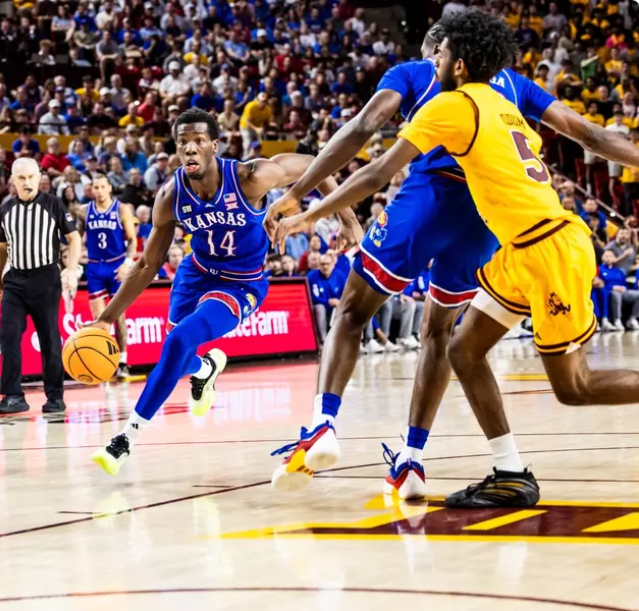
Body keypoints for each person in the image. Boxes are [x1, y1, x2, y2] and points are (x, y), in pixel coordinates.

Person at [273, 10, 639, 508]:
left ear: (452, 57)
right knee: (455, 346)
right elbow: (591, 137)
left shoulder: (436, 92)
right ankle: (453, 465)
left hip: (494, 225)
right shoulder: (514, 91)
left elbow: (369, 149)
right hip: (499, 237)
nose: (433, 62)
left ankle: (323, 425)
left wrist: (304, 204)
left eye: (438, 55)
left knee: (355, 312)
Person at [87, 108, 354, 476]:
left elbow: (315, 163)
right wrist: (105, 318)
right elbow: (148, 265)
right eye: (183, 143)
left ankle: (125, 439)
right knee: (179, 352)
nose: (191, 149)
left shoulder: (250, 176)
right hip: (195, 273)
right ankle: (206, 367)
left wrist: (347, 217)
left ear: (214, 145)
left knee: (180, 339)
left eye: (198, 141)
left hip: (240, 283)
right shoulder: (170, 196)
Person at [0, 158, 81, 415]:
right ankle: (12, 395)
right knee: (8, 334)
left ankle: (54, 396)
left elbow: (74, 238)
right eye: (22, 178)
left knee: (49, 337)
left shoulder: (53, 203)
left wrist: (72, 269)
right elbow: (0, 248)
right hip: (15, 280)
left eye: (32, 176)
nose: (28, 182)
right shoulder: (5, 209)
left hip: (46, 278)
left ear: (39, 176)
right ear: (13, 180)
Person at [83, 174, 137, 379]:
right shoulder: (84, 211)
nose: (98, 191)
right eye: (95, 187)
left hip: (117, 265)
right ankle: (105, 362)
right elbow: (76, 238)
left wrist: (127, 263)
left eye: (102, 187)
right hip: (95, 267)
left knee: (118, 316)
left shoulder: (121, 209)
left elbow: (132, 240)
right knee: (99, 320)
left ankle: (123, 361)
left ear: (109, 188)